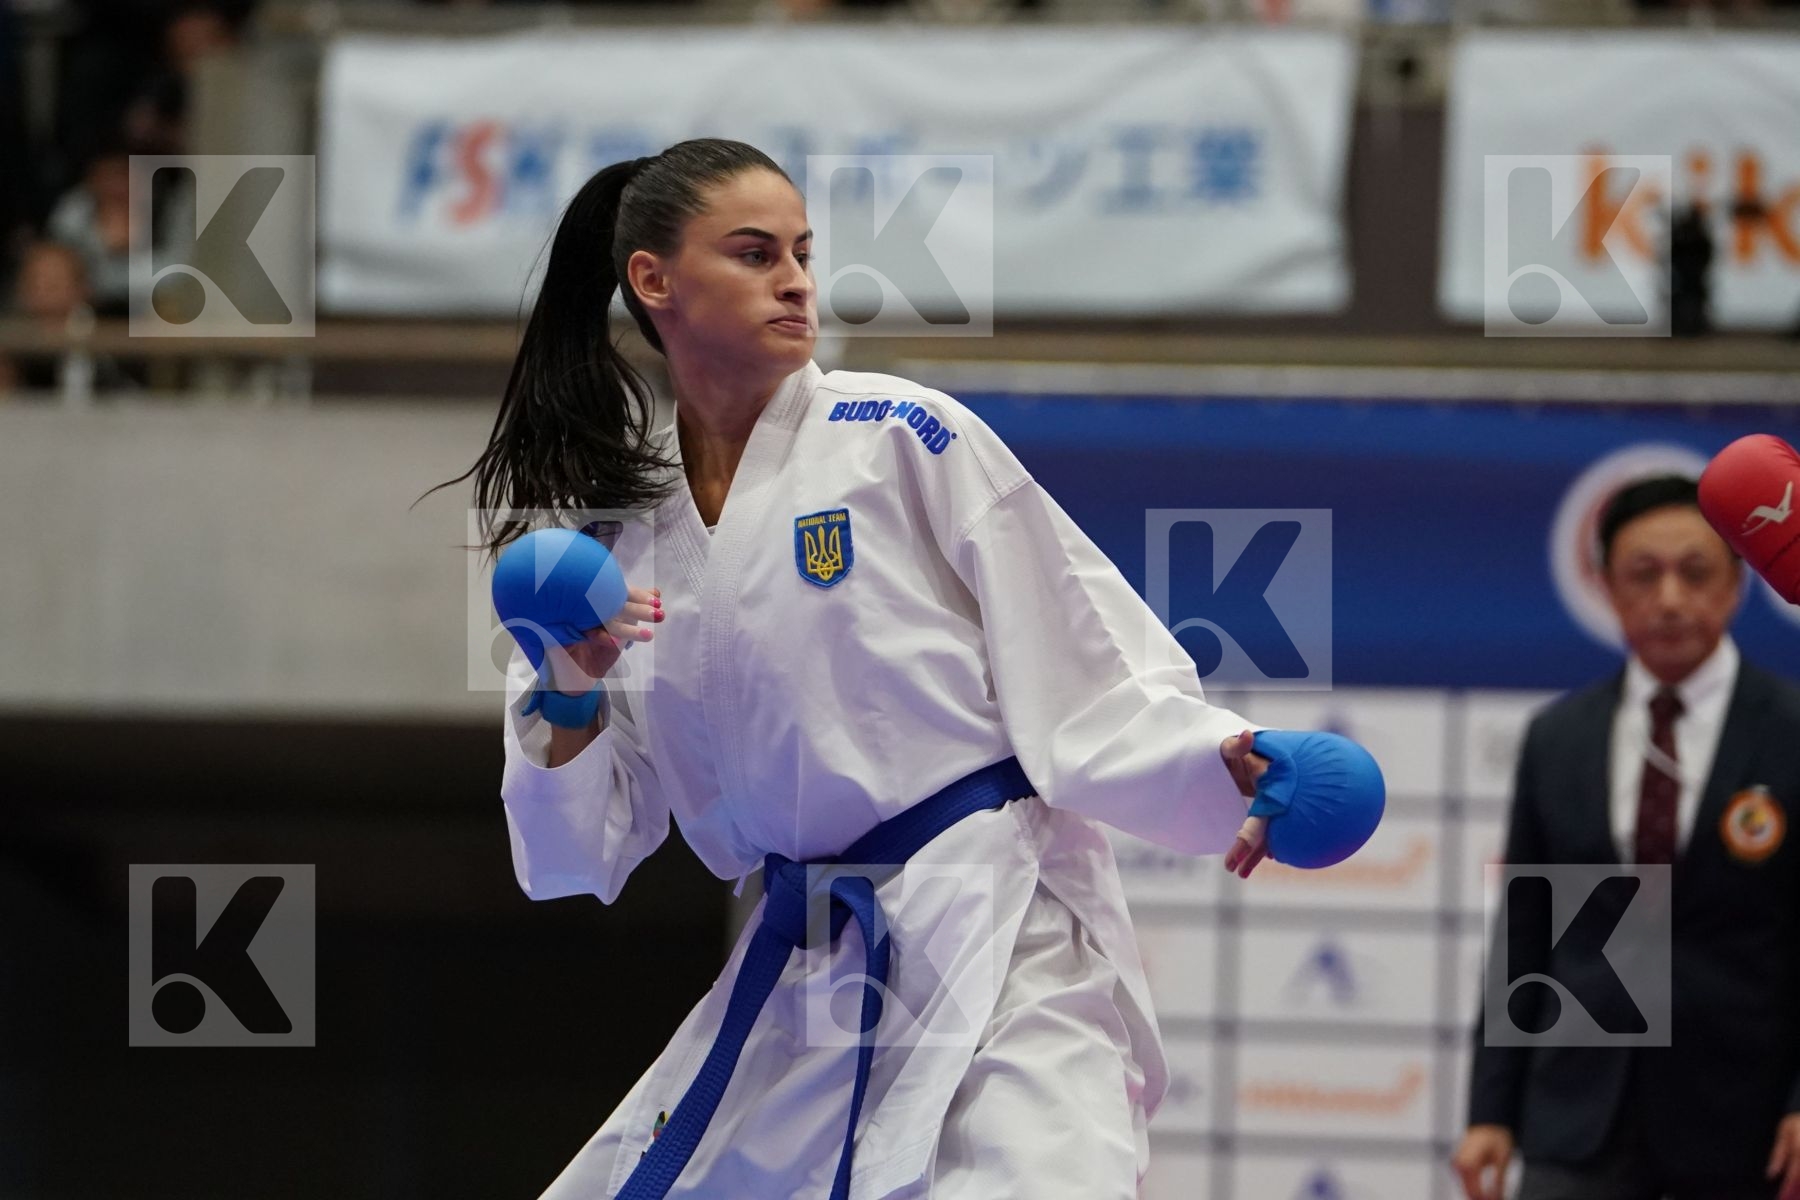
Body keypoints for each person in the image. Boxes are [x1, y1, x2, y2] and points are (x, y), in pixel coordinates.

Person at [441, 138, 1350, 1199]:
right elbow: (574, 855)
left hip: (1001, 931)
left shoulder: (901, 435)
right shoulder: (621, 541)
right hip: (811, 968)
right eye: (752, 253)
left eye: (802, 252)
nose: (794, 280)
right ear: (654, 281)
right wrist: (569, 687)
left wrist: (1221, 755)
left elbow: (1082, 658)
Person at [1453, 475, 1800, 1200]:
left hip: (1745, 1118)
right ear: (1608, 588)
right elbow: (1527, 929)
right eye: (1645, 574)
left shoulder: (1790, 731)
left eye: (1696, 571)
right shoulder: (1561, 737)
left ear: (1736, 585)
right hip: (1577, 1114)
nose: (1670, 598)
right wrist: (1491, 1110)